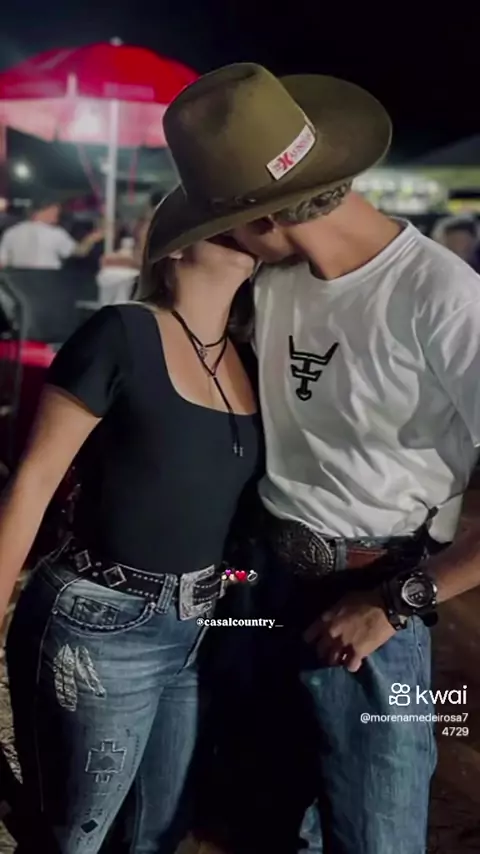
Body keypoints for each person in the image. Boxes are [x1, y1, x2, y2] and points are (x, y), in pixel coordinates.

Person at [143, 62, 480, 854]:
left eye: (221, 221)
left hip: (374, 601)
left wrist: (395, 603)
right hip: (259, 584)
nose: (218, 238)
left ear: (264, 218)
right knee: (255, 821)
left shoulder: (441, 296)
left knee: (373, 834)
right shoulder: (274, 280)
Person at [2, 225, 260, 852]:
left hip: (200, 628)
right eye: (219, 221)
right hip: (97, 622)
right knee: (73, 839)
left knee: (154, 836)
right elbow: (33, 481)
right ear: (174, 244)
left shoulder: (249, 357)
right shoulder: (121, 332)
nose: (242, 231)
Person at [0, 196, 103, 270]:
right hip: (49, 280)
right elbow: (79, 251)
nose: (56, 215)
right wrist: (92, 238)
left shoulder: (11, 232)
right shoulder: (55, 233)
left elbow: (2, 262)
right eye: (53, 211)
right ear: (40, 211)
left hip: (19, 285)